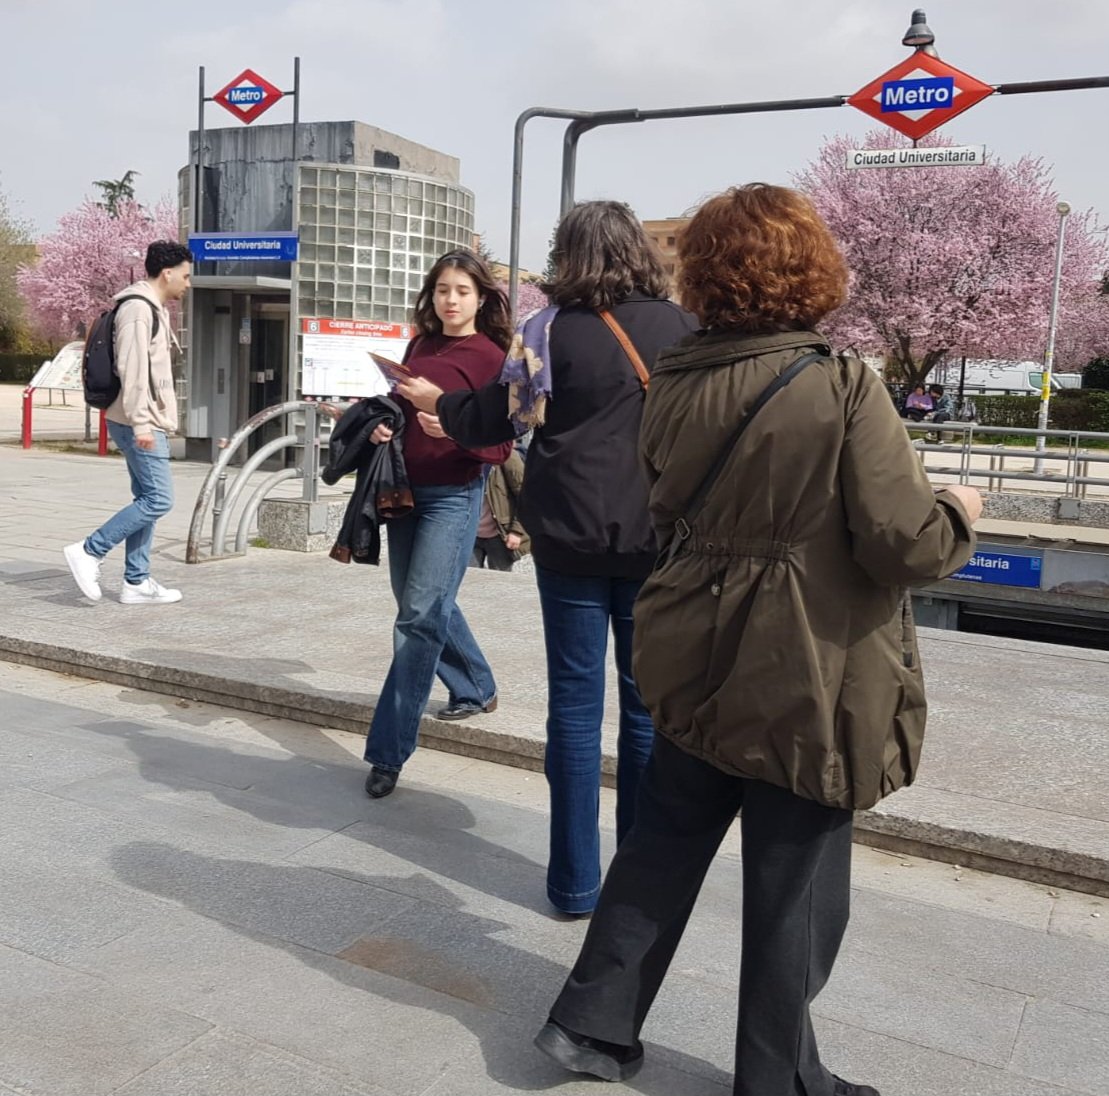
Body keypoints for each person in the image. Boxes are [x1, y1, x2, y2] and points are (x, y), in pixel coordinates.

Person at [534, 184, 982, 1096]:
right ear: (809, 270)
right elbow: (907, 544)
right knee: (795, 868)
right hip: (806, 660)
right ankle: (778, 1077)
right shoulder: (840, 385)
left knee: (663, 839)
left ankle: (590, 1026)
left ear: (706, 276)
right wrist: (957, 510)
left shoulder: (675, 384)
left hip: (693, 643)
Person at [395, 201, 697, 914]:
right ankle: (639, 883)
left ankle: (572, 884)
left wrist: (444, 403)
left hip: (568, 534)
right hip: (657, 537)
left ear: (569, 256)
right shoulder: (683, 329)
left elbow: (504, 416)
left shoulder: (546, 328)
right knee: (646, 709)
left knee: (573, 706)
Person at [361, 250, 514, 800]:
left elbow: (499, 445)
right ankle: (475, 685)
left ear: (481, 299)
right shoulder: (420, 346)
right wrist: (382, 425)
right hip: (404, 490)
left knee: (419, 616)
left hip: (454, 495)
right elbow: (402, 411)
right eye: (443, 290)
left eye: (463, 291)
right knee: (420, 600)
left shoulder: (492, 358)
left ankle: (387, 751)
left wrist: (450, 424)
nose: (451, 300)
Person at [63, 240, 193, 605]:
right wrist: (141, 424)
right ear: (167, 273)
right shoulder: (138, 310)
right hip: (138, 420)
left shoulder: (151, 308)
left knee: (147, 498)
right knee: (160, 499)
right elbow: (132, 370)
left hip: (142, 418)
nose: (187, 284)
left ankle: (136, 581)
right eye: (185, 276)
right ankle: (90, 550)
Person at [471, 447, 528, 572]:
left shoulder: (507, 456)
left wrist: (517, 531)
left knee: (499, 581)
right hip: (470, 534)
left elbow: (526, 495)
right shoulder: (463, 451)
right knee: (468, 580)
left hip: (499, 535)